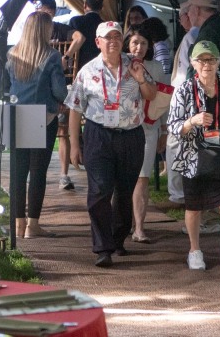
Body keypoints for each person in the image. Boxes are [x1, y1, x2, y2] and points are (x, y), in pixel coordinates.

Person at [65, 21, 157, 267]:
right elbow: (74, 109)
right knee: (100, 190)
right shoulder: (87, 71)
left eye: (117, 36)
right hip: (98, 135)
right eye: (108, 37)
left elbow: (151, 95)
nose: (113, 41)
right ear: (98, 42)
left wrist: (140, 80)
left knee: (125, 192)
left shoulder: (135, 65)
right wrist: (75, 145)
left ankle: (118, 239)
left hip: (131, 135)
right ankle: (102, 248)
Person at [167, 40, 220, 279]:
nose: (207, 64)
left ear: (218, 62)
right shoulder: (184, 89)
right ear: (194, 63)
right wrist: (192, 121)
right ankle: (194, 250)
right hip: (193, 155)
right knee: (194, 207)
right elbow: (173, 126)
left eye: (212, 59)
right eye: (202, 60)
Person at [4, 11, 67, 238]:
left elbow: (6, 85)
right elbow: (59, 90)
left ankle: (17, 224)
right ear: (44, 30)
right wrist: (60, 101)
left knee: (18, 172)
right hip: (41, 116)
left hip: (16, 114)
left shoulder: (12, 53)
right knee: (37, 172)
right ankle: (33, 225)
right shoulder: (51, 56)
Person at [123, 25, 167, 244]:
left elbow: (164, 101)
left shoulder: (156, 67)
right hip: (123, 130)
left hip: (149, 128)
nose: (138, 47)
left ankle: (139, 228)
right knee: (123, 180)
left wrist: (165, 130)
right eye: (134, 43)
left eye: (143, 43)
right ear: (127, 44)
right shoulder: (119, 64)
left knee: (142, 178)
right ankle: (124, 223)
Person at [34, 0, 79, 190]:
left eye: (41, 10)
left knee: (62, 129)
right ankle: (34, 175)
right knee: (34, 137)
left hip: (57, 89)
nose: (37, 14)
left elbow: (79, 37)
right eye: (36, 10)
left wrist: (66, 56)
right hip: (38, 94)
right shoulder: (31, 35)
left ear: (51, 11)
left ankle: (63, 174)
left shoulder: (60, 29)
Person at [161, 5, 197, 209]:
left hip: (184, 96)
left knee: (177, 142)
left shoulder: (193, 35)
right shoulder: (191, 35)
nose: (181, 20)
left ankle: (179, 194)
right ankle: (179, 192)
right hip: (182, 95)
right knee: (177, 142)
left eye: (181, 16)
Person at [67, 0, 105, 65]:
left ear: (85, 5)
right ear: (102, 7)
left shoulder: (75, 21)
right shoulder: (104, 25)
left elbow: (69, 44)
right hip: (99, 66)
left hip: (78, 65)